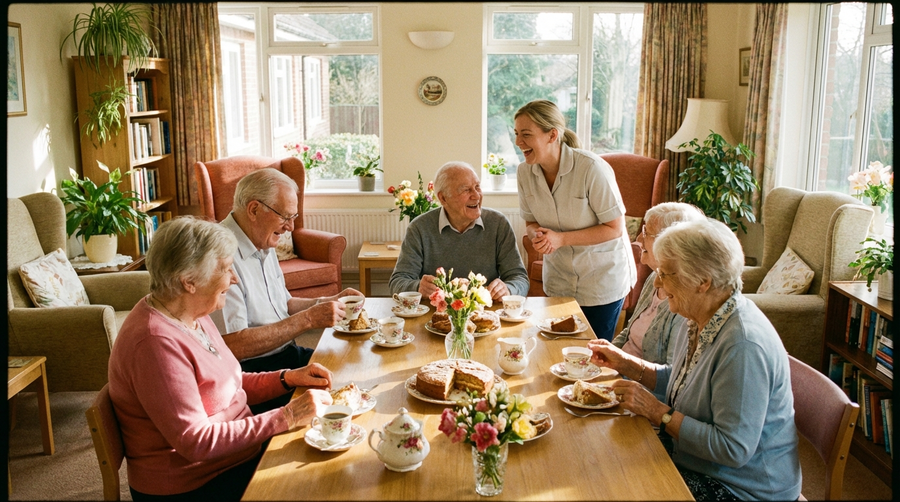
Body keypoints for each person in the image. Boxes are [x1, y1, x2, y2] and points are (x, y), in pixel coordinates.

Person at [108, 217, 334, 501]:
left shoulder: (192, 313)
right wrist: (287, 415)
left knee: (331, 451)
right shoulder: (154, 344)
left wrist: (286, 378)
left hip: (234, 456)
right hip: (195, 483)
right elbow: (196, 442)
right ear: (189, 281)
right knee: (323, 480)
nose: (235, 278)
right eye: (227, 269)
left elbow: (231, 383)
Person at [588, 218, 801, 500]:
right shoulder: (699, 317)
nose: (659, 282)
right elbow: (682, 381)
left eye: (667, 273)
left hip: (743, 487)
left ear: (703, 281)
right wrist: (626, 363)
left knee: (618, 485)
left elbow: (732, 448)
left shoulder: (743, 345)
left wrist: (657, 411)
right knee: (599, 457)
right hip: (696, 460)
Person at [219, 168, 362, 413]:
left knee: (353, 369)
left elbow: (284, 304)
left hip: (285, 353)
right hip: (254, 372)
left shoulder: (262, 239)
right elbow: (233, 344)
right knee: (335, 402)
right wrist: (307, 320)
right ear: (254, 209)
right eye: (285, 217)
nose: (291, 227)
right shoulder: (220, 253)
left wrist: (329, 301)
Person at [514, 100, 636, 341]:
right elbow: (530, 222)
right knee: (557, 351)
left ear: (552, 135)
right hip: (559, 281)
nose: (518, 142)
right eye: (516, 134)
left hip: (601, 281)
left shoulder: (591, 168)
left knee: (592, 357)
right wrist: (536, 235)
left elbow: (615, 228)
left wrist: (561, 239)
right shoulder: (524, 173)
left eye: (526, 134)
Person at [389, 161, 529, 301]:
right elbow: (397, 282)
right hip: (435, 316)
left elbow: (519, 278)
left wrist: (508, 289)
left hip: (485, 315)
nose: (476, 196)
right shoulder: (419, 228)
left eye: (477, 187)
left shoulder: (498, 224)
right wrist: (417, 287)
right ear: (443, 198)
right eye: (466, 190)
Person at [612, 203, 706, 371]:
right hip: (619, 373)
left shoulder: (685, 301)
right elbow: (629, 334)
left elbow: (672, 376)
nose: (639, 240)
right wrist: (606, 353)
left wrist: (620, 363)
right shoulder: (653, 278)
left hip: (638, 388)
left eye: (646, 232)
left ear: (670, 243)